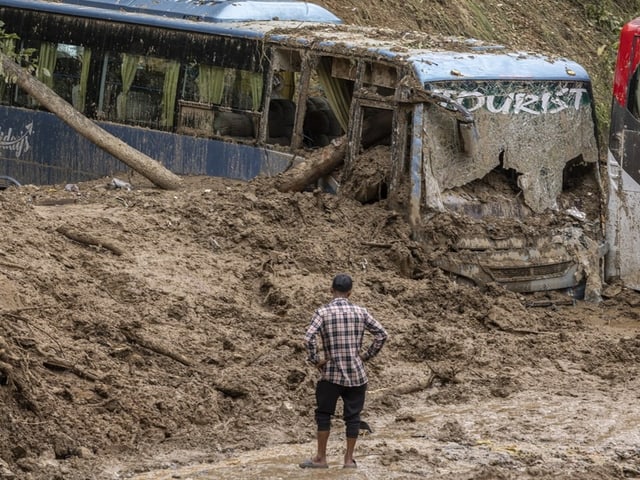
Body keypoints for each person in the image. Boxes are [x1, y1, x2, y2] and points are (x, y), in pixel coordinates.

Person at [299, 273, 388, 469]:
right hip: (357, 374)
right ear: (350, 292)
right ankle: (348, 460)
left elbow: (308, 338)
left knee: (323, 414)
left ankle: (321, 458)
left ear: (331, 290)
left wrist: (316, 361)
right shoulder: (361, 312)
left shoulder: (322, 312)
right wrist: (365, 356)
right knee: (353, 417)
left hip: (331, 373)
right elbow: (382, 335)